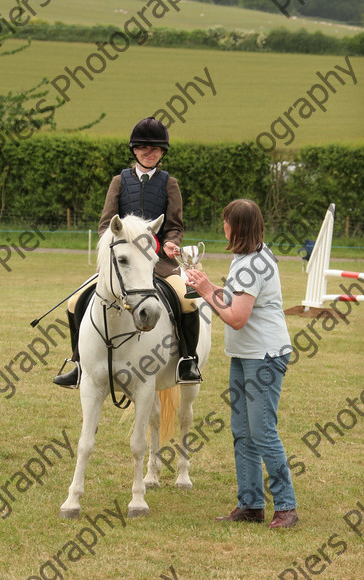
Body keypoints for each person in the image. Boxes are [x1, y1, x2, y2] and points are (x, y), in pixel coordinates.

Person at [53, 117, 202, 388]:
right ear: (134, 150)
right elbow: (105, 223)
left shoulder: (170, 184)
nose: (149, 152)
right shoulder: (118, 182)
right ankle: (77, 362)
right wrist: (115, 247)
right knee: (75, 301)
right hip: (121, 265)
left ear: (162, 153)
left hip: (160, 264)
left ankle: (187, 361)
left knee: (187, 300)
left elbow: (175, 226)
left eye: (155, 149)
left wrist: (170, 242)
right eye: (143, 147)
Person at [185, 199, 299, 529]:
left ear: (236, 227)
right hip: (246, 355)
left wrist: (207, 290)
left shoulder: (251, 265)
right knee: (243, 432)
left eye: (226, 222)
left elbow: (237, 318)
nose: (223, 226)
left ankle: (286, 506)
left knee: (262, 432)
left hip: (263, 355)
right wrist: (209, 286)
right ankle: (250, 504)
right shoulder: (247, 258)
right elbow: (236, 298)